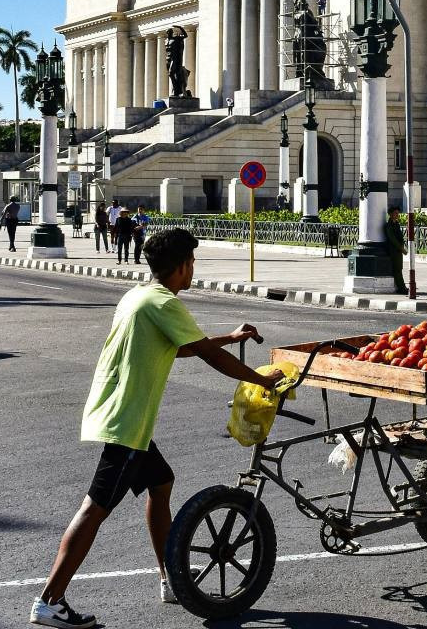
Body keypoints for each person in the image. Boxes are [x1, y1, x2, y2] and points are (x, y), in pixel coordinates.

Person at [29, 228, 284, 629]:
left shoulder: (140, 296)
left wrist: (229, 337)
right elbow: (205, 355)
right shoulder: (165, 302)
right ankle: (50, 600)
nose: (193, 270)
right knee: (94, 508)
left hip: (119, 413)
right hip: (127, 420)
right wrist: (261, 379)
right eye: (193, 263)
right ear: (182, 266)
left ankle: (171, 579)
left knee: (161, 483)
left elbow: (179, 346)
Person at [385, 206, 408, 294]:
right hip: (394, 250)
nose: (397, 215)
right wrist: (401, 248)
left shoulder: (396, 224)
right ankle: (401, 288)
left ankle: (401, 286)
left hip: (398, 250)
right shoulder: (389, 225)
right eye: (395, 213)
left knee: (399, 269)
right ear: (390, 214)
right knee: (397, 270)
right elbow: (392, 239)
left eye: (398, 213)